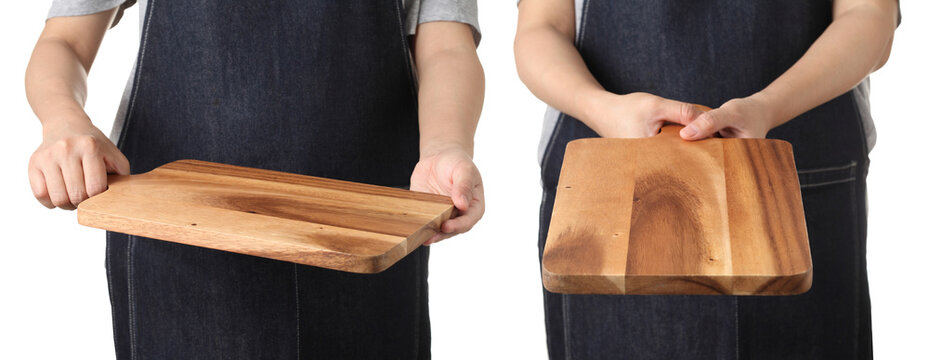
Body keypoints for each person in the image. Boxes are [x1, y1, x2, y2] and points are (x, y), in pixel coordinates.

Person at [25, 0, 484, 358]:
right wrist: (64, 122)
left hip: (366, 237)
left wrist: (447, 146)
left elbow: (446, 45)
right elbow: (64, 41)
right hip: (180, 242)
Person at [515, 0, 898, 359]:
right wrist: (602, 109)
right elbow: (541, 27)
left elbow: (868, 15)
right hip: (610, 192)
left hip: (800, 181)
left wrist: (768, 107)